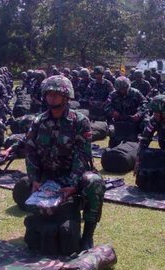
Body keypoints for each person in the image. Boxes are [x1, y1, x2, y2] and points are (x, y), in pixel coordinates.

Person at [24, 75, 105, 250]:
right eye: (48, 94)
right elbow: (30, 152)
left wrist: (74, 185)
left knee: (95, 183)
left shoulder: (80, 121)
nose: (51, 97)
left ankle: (88, 236)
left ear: (66, 96)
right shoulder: (38, 121)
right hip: (48, 175)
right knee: (24, 186)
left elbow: (82, 156)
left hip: (73, 174)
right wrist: (35, 179)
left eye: (56, 94)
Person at [105, 76, 148, 147]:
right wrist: (113, 111)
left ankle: (142, 143)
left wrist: (139, 113)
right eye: (120, 89)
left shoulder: (135, 92)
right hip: (119, 119)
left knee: (146, 121)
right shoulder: (113, 94)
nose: (122, 91)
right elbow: (107, 106)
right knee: (112, 132)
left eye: (124, 89)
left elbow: (145, 103)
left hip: (133, 119)